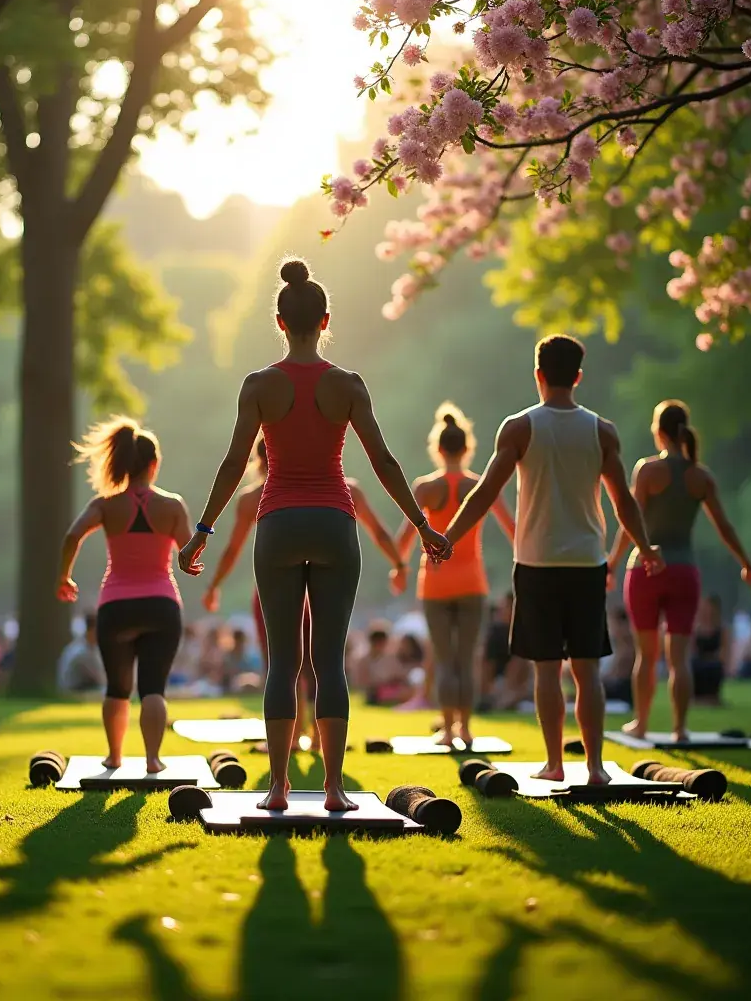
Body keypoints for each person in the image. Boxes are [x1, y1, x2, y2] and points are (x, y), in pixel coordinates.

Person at [178, 257, 450, 811]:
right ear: (325, 321)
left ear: (280, 322)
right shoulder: (347, 385)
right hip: (333, 524)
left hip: (278, 523)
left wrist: (202, 529)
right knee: (328, 662)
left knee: (282, 662)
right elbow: (384, 461)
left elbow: (233, 463)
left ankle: (278, 788)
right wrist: (422, 526)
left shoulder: (259, 385)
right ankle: (332, 790)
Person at [443, 335, 663, 785]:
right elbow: (622, 501)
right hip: (587, 562)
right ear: (578, 377)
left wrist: (448, 538)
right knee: (587, 671)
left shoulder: (519, 428)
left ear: (538, 374)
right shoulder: (602, 431)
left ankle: (555, 764)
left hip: (536, 563)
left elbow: (485, 492)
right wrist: (643, 546)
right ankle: (595, 767)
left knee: (546, 670)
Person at [200, 432, 408, 748]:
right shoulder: (345, 490)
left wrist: (214, 585)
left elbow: (232, 549)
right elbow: (378, 531)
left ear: (261, 459)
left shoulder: (252, 497)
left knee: (281, 664)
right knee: (324, 662)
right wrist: (399, 564)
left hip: (275, 590)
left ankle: (294, 736)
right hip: (322, 586)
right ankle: (321, 737)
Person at [605, 399, 751, 740]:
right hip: (683, 573)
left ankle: (641, 724)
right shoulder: (701, 477)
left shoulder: (647, 471)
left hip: (645, 571)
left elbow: (629, 523)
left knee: (646, 656)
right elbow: (724, 526)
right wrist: (747, 565)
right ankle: (680, 729)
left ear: (658, 432)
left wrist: (613, 563)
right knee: (679, 658)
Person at [57, 419, 190, 771]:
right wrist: (193, 559)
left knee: (117, 688)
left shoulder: (106, 504)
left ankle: (114, 756)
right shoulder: (173, 505)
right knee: (153, 688)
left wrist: (64, 577)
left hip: (116, 608)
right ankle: (152, 760)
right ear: (154, 464)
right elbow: (187, 551)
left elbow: (72, 536)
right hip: (161, 606)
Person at [396, 403, 515, 744]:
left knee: (444, 659)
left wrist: (399, 568)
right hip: (472, 583)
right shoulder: (480, 485)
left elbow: (404, 539)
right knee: (466, 657)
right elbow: (512, 528)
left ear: (437, 448)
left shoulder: (425, 487)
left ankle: (447, 730)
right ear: (467, 448)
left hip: (435, 583)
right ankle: (465, 728)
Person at [689, 595, 729, 702]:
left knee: (715, 667)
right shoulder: (697, 629)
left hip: (714, 661)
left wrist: (719, 658)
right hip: (699, 660)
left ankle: (712, 695)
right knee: (694, 664)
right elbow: (693, 649)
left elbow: (724, 649)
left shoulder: (721, 629)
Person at [56, 613, 106, 694]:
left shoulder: (80, 646)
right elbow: (102, 680)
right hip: (74, 693)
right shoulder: (83, 653)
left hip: (77, 689)